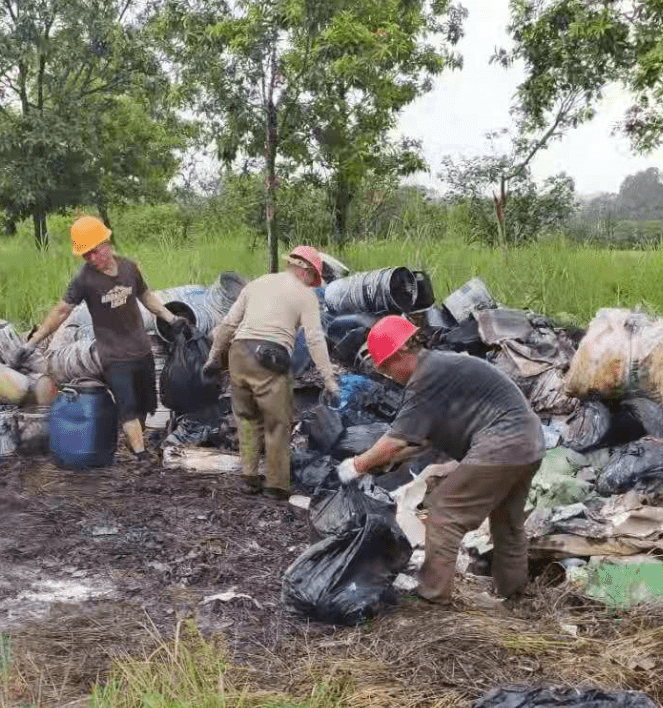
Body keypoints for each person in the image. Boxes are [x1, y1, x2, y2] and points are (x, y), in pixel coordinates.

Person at [337, 315, 546, 606]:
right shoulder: (440, 367)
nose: (387, 374)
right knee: (507, 523)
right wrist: (386, 462)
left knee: (443, 513)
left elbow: (395, 440)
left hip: (503, 444)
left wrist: (355, 466)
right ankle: (513, 595)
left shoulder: (425, 378)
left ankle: (432, 598)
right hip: (530, 442)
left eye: (385, 367)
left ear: (400, 355)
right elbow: (419, 440)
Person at [25, 216, 186, 463]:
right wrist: (34, 341)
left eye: (94, 251)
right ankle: (141, 456)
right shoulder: (84, 280)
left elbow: (146, 296)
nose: (91, 258)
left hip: (141, 350)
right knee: (127, 407)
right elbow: (61, 311)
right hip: (113, 355)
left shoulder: (130, 269)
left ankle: (137, 445)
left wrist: (170, 317)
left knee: (143, 405)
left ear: (106, 241)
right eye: (85, 255)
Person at [203, 246, 340, 500]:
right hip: (270, 357)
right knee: (277, 423)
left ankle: (249, 477)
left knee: (246, 417)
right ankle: (276, 485)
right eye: (313, 278)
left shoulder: (257, 284)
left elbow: (228, 324)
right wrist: (329, 379)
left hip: (239, 353)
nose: (312, 284)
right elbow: (315, 339)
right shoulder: (306, 296)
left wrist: (213, 358)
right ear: (305, 270)